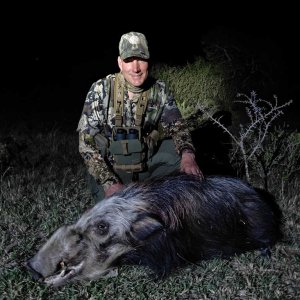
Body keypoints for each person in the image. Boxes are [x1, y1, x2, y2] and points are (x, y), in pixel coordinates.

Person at [77, 31, 203, 201]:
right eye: (129, 60)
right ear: (120, 63)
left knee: (186, 173)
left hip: (147, 163)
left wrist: (188, 156)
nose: (135, 68)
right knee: (116, 214)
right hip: (113, 169)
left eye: (141, 59)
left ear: (148, 61)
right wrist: (109, 182)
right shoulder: (101, 89)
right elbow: (86, 142)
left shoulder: (159, 89)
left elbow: (178, 127)